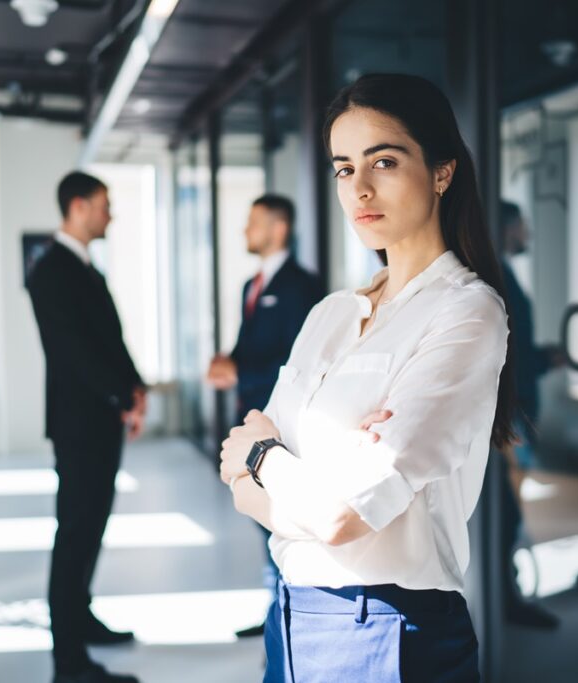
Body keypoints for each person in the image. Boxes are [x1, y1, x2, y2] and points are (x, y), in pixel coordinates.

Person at [219, 73, 516, 682]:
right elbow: (239, 482)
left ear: (442, 171)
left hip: (388, 627)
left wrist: (264, 456)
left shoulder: (466, 311)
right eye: (344, 167)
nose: (360, 188)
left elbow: (335, 514)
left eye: (383, 160)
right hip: (294, 617)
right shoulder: (330, 313)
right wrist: (294, 466)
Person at [26, 171, 144, 683]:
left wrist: (135, 386)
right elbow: (72, 352)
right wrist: (121, 395)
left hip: (101, 418)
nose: (109, 214)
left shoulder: (85, 268)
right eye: (103, 204)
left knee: (92, 527)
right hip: (80, 423)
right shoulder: (51, 269)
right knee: (75, 532)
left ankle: (83, 618)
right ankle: (68, 660)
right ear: (77, 207)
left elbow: (108, 337)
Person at [206, 194, 323, 635]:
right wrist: (228, 363)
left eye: (253, 222)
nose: (244, 230)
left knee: (285, 521)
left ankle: (291, 615)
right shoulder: (250, 286)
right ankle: (276, 613)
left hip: (284, 425)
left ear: (278, 229)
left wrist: (240, 370)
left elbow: (300, 360)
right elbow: (251, 350)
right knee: (264, 523)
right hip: (252, 417)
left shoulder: (301, 286)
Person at [497, 200, 566, 628]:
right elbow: (510, 353)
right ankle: (507, 599)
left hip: (514, 412)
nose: (528, 235)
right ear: (506, 229)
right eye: (522, 227)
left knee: (511, 511)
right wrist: (545, 358)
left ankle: (507, 594)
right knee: (508, 514)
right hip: (513, 414)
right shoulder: (498, 277)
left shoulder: (502, 272)